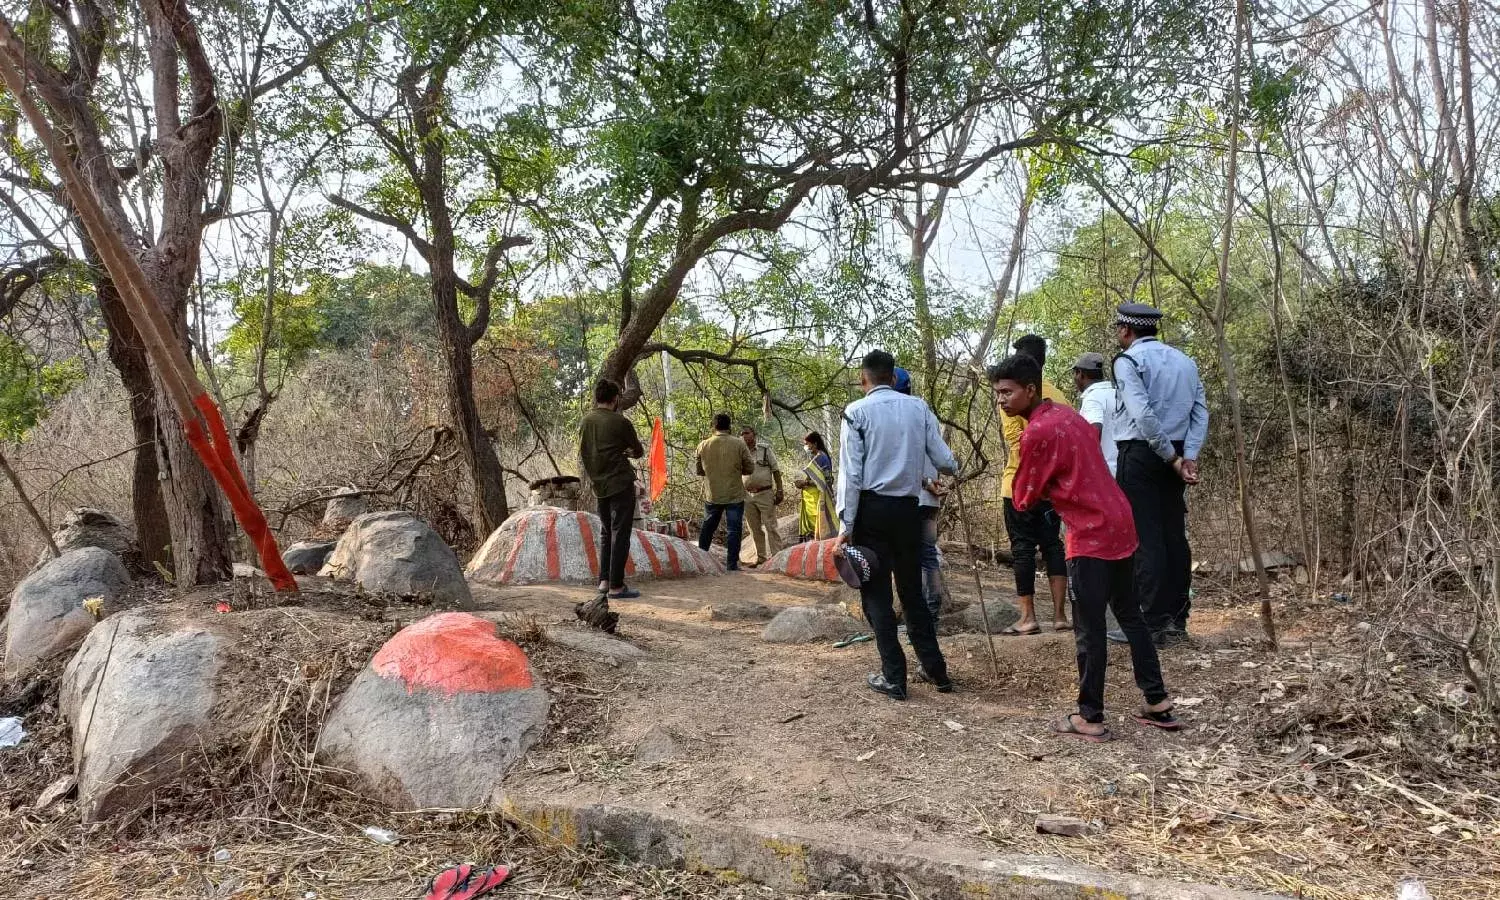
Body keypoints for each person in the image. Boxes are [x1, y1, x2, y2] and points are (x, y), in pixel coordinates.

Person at [990, 353, 1180, 742]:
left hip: (1090, 532)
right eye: (998, 393)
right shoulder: (1068, 415)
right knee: (1129, 614)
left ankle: (1090, 716)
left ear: (1030, 389)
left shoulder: (1037, 432)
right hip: (1120, 519)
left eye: (1007, 392)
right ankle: (1157, 702)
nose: (1001, 400)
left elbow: (1023, 496)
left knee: (1089, 628)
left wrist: (1045, 492)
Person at [834, 350, 957, 701]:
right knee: (912, 592)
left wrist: (846, 525)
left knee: (876, 594)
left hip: (871, 511)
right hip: (908, 510)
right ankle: (936, 670)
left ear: (864, 379)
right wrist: (952, 468)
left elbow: (851, 475)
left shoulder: (856, 412)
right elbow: (945, 460)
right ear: (892, 377)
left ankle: (894, 676)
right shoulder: (918, 408)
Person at [1109, 303, 1209, 646]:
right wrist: (1187, 455)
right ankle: (1177, 620)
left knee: (1145, 538)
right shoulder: (1185, 361)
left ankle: (1151, 622)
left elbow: (1143, 415)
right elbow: (1200, 412)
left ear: (1126, 330)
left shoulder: (1127, 362)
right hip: (1177, 453)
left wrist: (1171, 457)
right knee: (1173, 535)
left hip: (1142, 454)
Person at [998, 334, 1071, 635]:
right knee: (1053, 545)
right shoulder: (1059, 396)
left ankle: (1027, 618)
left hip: (1018, 484)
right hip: (1053, 487)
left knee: (1023, 548)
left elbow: (1015, 441)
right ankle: (1060, 616)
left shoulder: (1012, 395)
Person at [578, 379, 645, 599]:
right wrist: (627, 453)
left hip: (599, 484)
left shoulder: (586, 421)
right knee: (620, 533)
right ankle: (616, 586)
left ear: (597, 397)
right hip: (620, 483)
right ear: (615, 399)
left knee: (606, 533)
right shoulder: (620, 422)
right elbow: (638, 451)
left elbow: (585, 452)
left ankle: (604, 581)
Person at [892, 367, 947, 622]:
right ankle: (931, 612)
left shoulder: (896, 415)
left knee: (907, 557)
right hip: (929, 497)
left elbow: (902, 460)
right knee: (928, 555)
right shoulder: (927, 413)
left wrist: (924, 481)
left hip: (909, 496)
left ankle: (918, 615)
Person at [695, 413, 754, 571]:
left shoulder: (703, 445)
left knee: (708, 528)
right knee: (734, 530)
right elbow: (750, 468)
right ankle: (732, 564)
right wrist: (737, 470)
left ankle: (701, 562)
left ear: (713, 426)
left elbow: (699, 471)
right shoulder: (739, 444)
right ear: (729, 426)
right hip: (734, 495)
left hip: (712, 494)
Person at [740, 426, 785, 566]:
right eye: (742, 434)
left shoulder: (765, 450)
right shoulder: (740, 452)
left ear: (754, 434)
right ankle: (761, 558)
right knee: (754, 528)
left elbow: (776, 471)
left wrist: (780, 490)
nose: (744, 436)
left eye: (747, 433)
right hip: (747, 495)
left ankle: (777, 557)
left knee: (771, 525)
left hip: (765, 493)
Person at [1073, 352, 1118, 476]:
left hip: (1104, 473)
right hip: (1123, 469)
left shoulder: (1092, 398)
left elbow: (1094, 431)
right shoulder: (1116, 393)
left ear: (1080, 373)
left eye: (1075, 373)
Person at [793, 431, 838, 542]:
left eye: (807, 444)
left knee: (820, 522)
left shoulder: (822, 458)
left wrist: (805, 483)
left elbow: (827, 480)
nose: (806, 447)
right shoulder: (817, 457)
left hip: (819, 497)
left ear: (815, 443)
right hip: (812, 498)